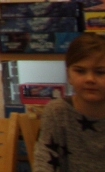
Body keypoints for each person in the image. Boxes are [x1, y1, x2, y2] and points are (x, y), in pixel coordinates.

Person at [35, 33, 105, 172]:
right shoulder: (57, 112)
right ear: (68, 75)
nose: (90, 79)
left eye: (100, 72)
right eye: (80, 71)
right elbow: (44, 163)